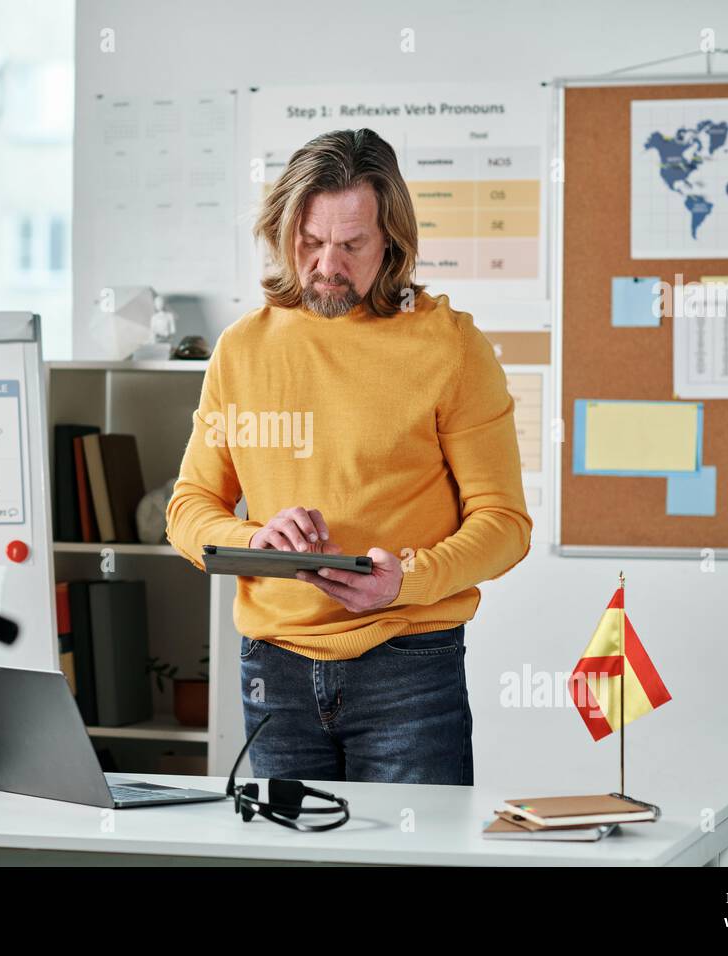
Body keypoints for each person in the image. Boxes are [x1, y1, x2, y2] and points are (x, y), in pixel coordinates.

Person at [165, 128, 531, 784]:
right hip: (271, 673)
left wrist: (406, 580)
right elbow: (189, 509)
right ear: (284, 232)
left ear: (391, 239)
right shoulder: (241, 350)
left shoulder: (451, 347)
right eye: (309, 242)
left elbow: (504, 525)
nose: (327, 265)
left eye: (351, 245)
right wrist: (256, 539)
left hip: (409, 669)